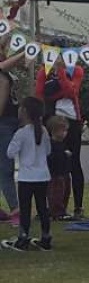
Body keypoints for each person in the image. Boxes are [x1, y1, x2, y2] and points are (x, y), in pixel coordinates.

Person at [36, 56, 85, 219]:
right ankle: (47, 207)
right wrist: (60, 93)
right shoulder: (44, 72)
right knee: (49, 163)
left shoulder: (76, 70)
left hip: (71, 121)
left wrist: (61, 72)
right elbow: (40, 94)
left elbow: (72, 91)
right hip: (52, 120)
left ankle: (78, 206)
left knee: (73, 163)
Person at [3, 97, 52, 251]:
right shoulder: (43, 130)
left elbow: (10, 153)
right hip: (43, 175)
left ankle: (23, 238)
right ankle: (46, 238)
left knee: (25, 208)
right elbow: (48, 151)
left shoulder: (21, 133)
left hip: (26, 177)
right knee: (42, 207)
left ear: (24, 111)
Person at [0, 50, 25, 225]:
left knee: (5, 167)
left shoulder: (3, 76)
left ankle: (15, 208)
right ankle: (15, 208)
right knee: (5, 167)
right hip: (6, 123)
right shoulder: (4, 76)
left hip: (6, 123)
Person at [46, 115, 72, 221]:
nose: (64, 133)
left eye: (66, 130)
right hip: (55, 174)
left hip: (64, 172)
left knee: (65, 192)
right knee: (56, 193)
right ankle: (57, 212)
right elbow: (52, 158)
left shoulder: (63, 144)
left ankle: (62, 209)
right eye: (62, 130)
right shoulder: (51, 145)